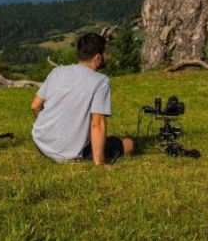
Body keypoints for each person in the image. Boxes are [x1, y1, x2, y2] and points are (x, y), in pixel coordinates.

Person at [30, 33, 134, 165]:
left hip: (40, 143)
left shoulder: (57, 72)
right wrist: (99, 163)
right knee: (128, 143)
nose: (107, 56)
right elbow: (97, 124)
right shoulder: (100, 81)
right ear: (98, 57)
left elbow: (35, 106)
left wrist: (52, 128)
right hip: (69, 153)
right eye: (105, 53)